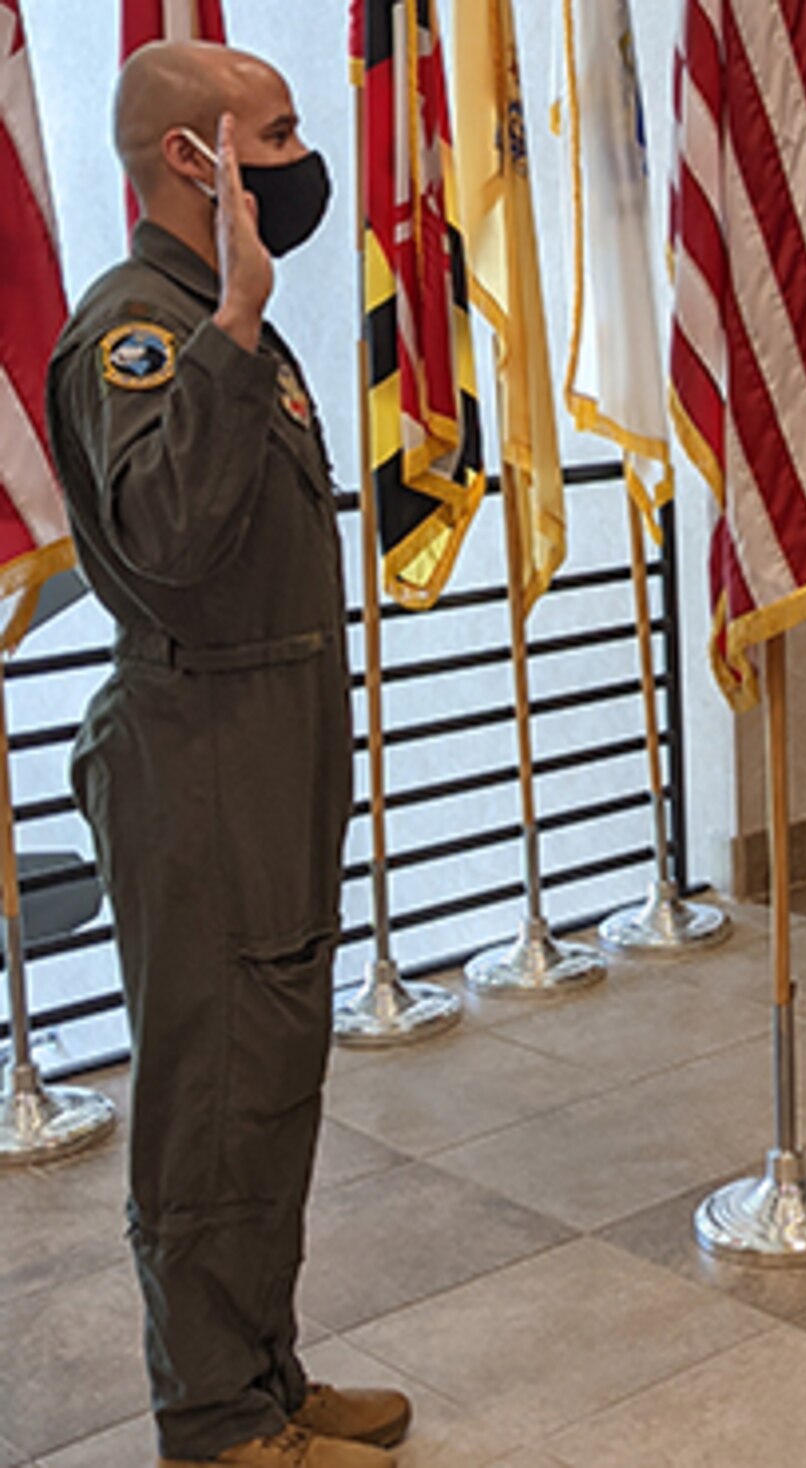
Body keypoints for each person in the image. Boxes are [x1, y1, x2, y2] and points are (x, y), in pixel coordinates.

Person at [44, 42, 409, 1468]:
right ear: (195, 160)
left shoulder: (209, 318)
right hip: (198, 767)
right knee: (208, 1106)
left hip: (269, 756)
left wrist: (240, 321)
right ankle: (209, 1421)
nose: (302, 154)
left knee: (270, 1083)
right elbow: (172, 540)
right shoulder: (143, 329)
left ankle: (263, 1377)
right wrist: (240, 322)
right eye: (277, 131)